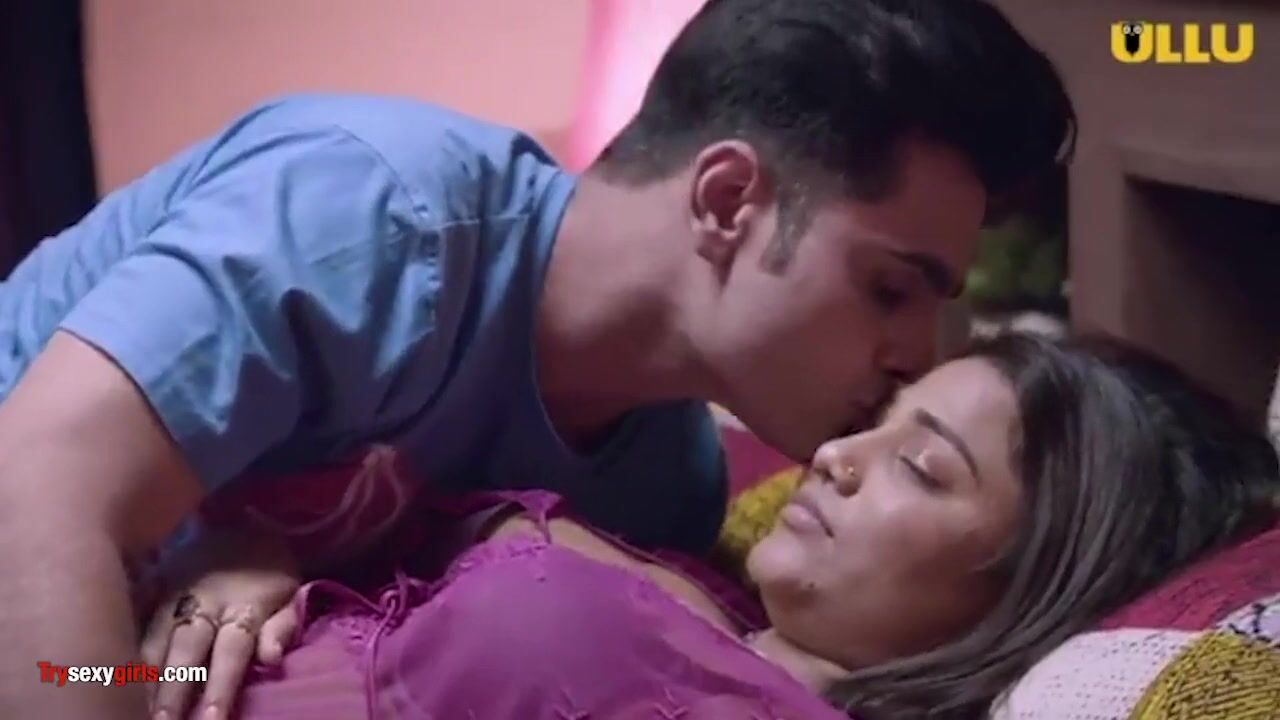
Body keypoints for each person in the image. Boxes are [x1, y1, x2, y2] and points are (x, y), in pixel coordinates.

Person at [0, 1, 1075, 716]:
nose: (913, 356)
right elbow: (33, 487)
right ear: (727, 200)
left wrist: (269, 559)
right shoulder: (373, 210)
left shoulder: (667, 486)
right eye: (889, 288)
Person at [145, 334, 1280, 719]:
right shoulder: (718, 593)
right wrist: (254, 554)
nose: (833, 456)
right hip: (119, 666)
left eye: (921, 466)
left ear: (1025, 591)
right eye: (878, 421)